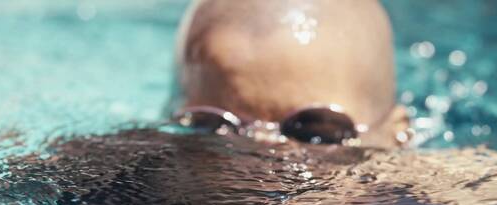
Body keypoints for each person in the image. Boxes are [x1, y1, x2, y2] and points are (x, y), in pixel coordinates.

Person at [167, 0, 410, 148]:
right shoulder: (133, 199)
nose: (261, 152)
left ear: (397, 135)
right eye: (211, 128)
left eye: (312, 131)